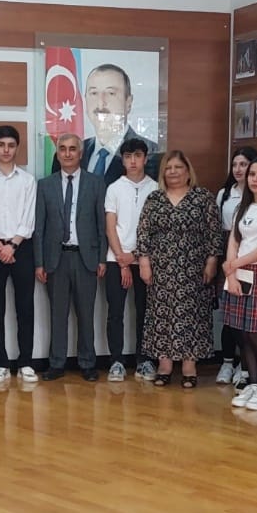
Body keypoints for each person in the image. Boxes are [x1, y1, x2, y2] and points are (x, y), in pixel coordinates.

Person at [135, 150, 220, 387]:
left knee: (192, 316)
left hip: (194, 269)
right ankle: (164, 365)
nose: (173, 172)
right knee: (162, 316)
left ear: (188, 171)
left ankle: (189, 366)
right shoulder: (154, 199)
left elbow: (214, 232)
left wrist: (212, 261)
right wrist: (144, 262)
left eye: (178, 167)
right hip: (161, 270)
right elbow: (143, 232)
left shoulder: (202, 198)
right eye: (168, 168)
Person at [34, 133, 107, 382]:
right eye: (63, 149)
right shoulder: (45, 185)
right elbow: (40, 227)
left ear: (80, 153)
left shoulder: (96, 183)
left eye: (72, 149)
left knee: (86, 315)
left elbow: (101, 225)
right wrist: (40, 262)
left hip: (86, 258)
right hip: (56, 259)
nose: (67, 153)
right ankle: (56, 363)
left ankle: (87, 363)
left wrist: (101, 258)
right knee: (58, 314)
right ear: (57, 154)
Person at [0, 125, 38, 384]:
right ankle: (0, 363)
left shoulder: (27, 180)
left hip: (21, 247)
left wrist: (12, 245)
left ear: (17, 148)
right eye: (1, 145)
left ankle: (26, 362)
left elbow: (29, 217)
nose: (6, 150)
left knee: (25, 307)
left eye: (11, 145)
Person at [224, 155, 257, 411]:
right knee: (242, 334)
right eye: (252, 174)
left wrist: (236, 263)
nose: (255, 179)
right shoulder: (242, 207)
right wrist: (231, 271)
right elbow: (233, 240)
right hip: (238, 273)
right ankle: (253, 384)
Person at [104, 138, 158, 382]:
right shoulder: (114, 188)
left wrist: (135, 256)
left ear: (145, 158)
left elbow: (156, 231)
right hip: (116, 259)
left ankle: (144, 360)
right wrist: (122, 260)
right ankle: (116, 361)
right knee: (115, 312)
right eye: (127, 156)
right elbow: (110, 227)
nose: (133, 161)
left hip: (146, 260)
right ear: (122, 160)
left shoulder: (156, 188)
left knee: (145, 311)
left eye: (137, 156)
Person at [53, 63, 161, 184]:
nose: (100, 103)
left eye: (111, 93)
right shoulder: (72, 153)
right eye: (94, 93)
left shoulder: (151, 153)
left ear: (128, 102)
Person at [214, 147, 257, 384]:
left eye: (244, 164)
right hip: (228, 254)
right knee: (228, 313)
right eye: (235, 165)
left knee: (247, 315)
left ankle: (245, 364)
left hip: (250, 255)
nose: (239, 169)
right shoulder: (224, 194)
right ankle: (227, 362)